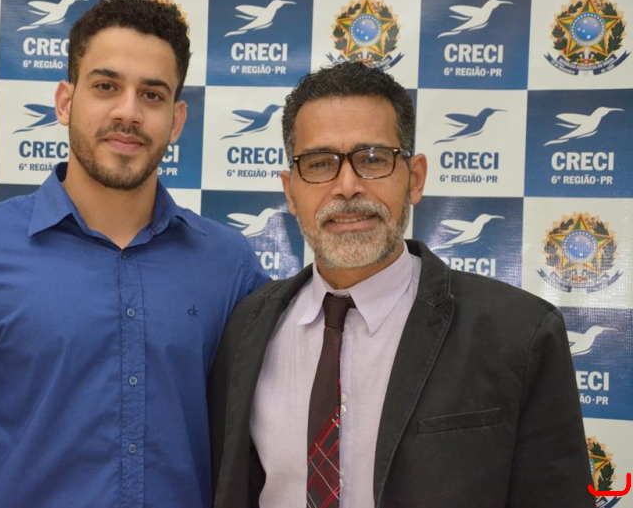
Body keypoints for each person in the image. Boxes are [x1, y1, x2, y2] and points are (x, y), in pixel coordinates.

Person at [0, 0, 267, 508]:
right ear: (64, 101)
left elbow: (272, 443)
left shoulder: (229, 265)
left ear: (176, 119)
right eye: (106, 86)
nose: (128, 112)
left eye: (152, 95)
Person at [208, 62, 594, 507]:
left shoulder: (520, 334)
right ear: (290, 191)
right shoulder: (246, 327)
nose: (347, 186)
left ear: (415, 178)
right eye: (319, 164)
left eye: (373, 159)